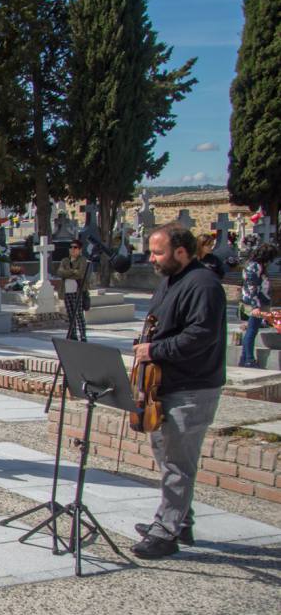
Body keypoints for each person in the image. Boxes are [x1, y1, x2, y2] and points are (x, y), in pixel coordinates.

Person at [130, 223, 228, 558]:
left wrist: (155, 351)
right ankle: (179, 520)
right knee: (166, 455)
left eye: (158, 252)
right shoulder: (171, 281)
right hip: (164, 385)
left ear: (181, 252)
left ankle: (167, 532)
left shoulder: (204, 285)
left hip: (192, 387)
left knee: (177, 462)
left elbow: (202, 335)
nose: (151, 258)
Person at [238, 241, 275, 369]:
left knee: (251, 330)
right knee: (251, 331)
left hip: (258, 302)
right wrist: (255, 306)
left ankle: (243, 358)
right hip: (253, 303)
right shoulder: (254, 267)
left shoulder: (257, 266)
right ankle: (249, 360)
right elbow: (252, 287)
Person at [55, 239, 91, 341]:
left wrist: (68, 272)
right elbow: (60, 272)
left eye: (75, 247)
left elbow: (80, 274)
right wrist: (73, 272)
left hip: (77, 291)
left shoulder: (82, 260)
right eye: (71, 247)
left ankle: (83, 335)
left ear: (80, 250)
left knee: (79, 314)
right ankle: (73, 334)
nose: (72, 249)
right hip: (66, 291)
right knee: (70, 315)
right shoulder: (65, 261)